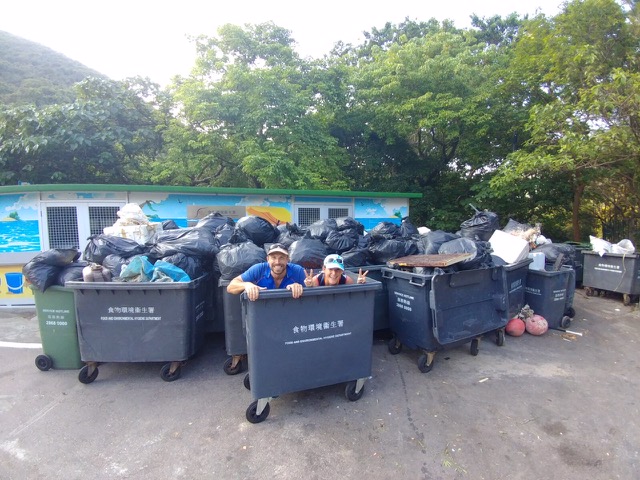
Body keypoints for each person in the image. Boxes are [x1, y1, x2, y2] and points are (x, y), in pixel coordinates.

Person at [227, 243, 306, 301]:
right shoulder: (258, 269)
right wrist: (247, 285)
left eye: (281, 258)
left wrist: (299, 286)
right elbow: (230, 287)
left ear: (287, 259)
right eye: (273, 258)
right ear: (268, 259)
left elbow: (313, 289)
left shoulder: (297, 271)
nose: (277, 262)